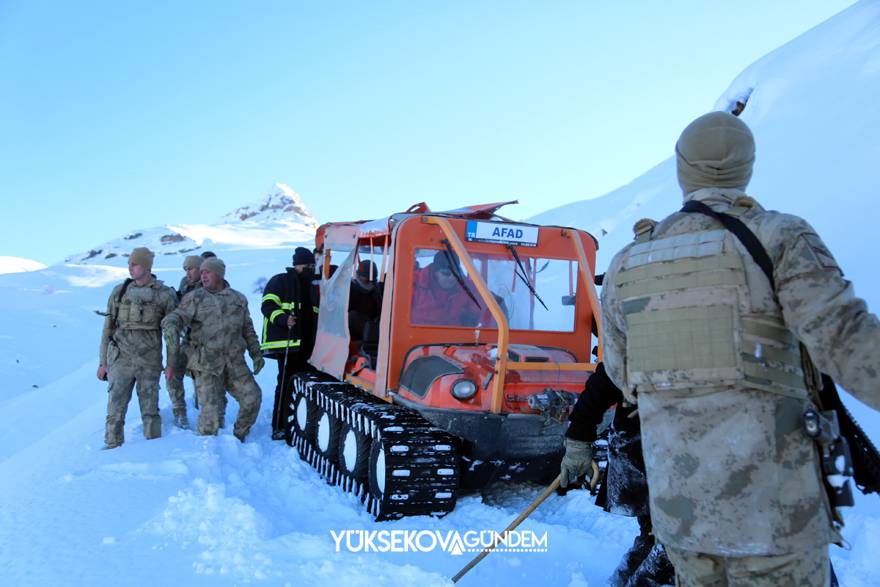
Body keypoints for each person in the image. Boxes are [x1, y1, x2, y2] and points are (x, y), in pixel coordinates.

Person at [600, 111, 880, 586]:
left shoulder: (627, 262)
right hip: (773, 514)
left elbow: (622, 374)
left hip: (681, 518)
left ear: (681, 170)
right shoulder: (779, 237)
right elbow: (849, 344)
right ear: (747, 167)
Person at [560, 363, 674, 586]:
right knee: (673, 547)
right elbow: (608, 377)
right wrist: (578, 438)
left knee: (658, 538)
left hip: (650, 442)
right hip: (651, 446)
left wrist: (579, 436)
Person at [161, 258, 265, 442]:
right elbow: (178, 317)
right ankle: (207, 452)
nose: (203, 275)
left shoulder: (238, 299)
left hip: (235, 362)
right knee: (210, 414)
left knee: (253, 398)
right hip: (206, 364)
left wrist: (256, 354)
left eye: (207, 272)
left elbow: (247, 329)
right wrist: (170, 323)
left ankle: (238, 437)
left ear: (219, 274)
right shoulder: (195, 298)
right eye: (201, 272)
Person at [97, 247, 178, 449]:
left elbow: (171, 333)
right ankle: (112, 448)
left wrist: (171, 363)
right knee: (115, 409)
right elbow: (108, 328)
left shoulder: (164, 294)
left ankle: (153, 449)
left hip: (149, 360)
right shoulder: (120, 291)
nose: (130, 268)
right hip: (120, 359)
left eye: (134, 264)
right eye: (129, 264)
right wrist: (103, 363)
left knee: (150, 410)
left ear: (146, 266)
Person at [261, 246, 319, 439]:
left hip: (310, 346)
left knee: (307, 386)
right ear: (296, 265)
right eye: (306, 265)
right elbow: (267, 306)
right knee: (286, 384)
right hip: (288, 344)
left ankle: (303, 424)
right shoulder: (280, 281)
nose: (310, 268)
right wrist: (283, 319)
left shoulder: (314, 285)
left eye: (312, 265)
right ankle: (280, 425)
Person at [163, 254, 204, 428]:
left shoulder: (211, 286)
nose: (188, 272)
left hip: (205, 343)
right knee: (172, 374)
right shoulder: (185, 284)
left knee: (202, 382)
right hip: (186, 340)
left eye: (191, 269)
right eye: (185, 269)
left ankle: (208, 414)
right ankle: (180, 412)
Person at [411, 251, 482, 326]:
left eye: (455, 274)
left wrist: (473, 318)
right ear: (435, 273)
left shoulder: (467, 288)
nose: (452, 278)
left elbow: (485, 305)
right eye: (446, 273)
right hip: (418, 335)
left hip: (454, 335)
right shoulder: (414, 284)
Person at [349, 260, 382, 340]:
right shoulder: (349, 288)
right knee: (352, 316)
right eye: (367, 280)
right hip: (351, 334)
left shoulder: (377, 289)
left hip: (373, 330)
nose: (370, 284)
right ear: (359, 276)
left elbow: (380, 311)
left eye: (373, 280)